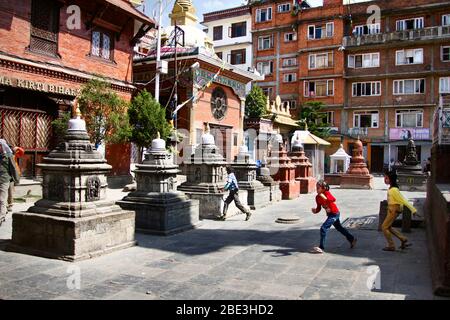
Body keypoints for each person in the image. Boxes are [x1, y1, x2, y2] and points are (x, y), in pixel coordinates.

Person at [310, 180, 357, 254]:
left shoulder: (326, 193)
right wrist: (315, 211)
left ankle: (321, 247)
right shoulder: (317, 197)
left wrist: (326, 198)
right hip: (330, 214)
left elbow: (333, 199)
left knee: (323, 228)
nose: (317, 189)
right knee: (339, 228)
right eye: (316, 188)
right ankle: (352, 239)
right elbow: (319, 207)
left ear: (323, 188)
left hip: (334, 213)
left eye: (318, 188)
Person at [382, 170, 417, 251]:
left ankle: (391, 245)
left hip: (393, 210)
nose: (385, 179)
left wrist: (413, 209)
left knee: (384, 227)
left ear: (391, 179)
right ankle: (403, 239)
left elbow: (403, 200)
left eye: (386, 178)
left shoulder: (394, 190)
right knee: (388, 227)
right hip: (391, 209)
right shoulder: (391, 188)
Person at [0, 139, 20, 227]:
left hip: (4, 180)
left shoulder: (8, 155)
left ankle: (1, 216)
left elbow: (13, 168)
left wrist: (16, 180)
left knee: (1, 199)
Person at [7, 146, 24, 212]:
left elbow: (22, 152)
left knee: (10, 191)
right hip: (4, 174)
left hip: (12, 175)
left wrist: (17, 148)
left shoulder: (13, 154)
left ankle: (10, 205)